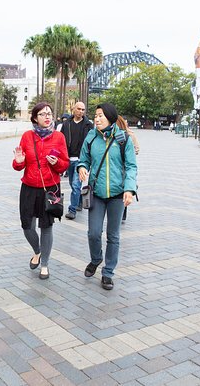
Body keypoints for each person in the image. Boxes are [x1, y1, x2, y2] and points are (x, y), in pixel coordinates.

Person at [78, 103, 137, 291]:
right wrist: (81, 167)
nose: (96, 119)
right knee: (93, 232)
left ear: (110, 117)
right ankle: (96, 259)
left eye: (100, 115)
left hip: (118, 194)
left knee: (113, 236)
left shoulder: (123, 139)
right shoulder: (91, 137)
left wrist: (129, 189)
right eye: (95, 115)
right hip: (96, 193)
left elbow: (131, 166)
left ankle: (108, 272)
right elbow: (84, 159)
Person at [13, 102, 69, 281]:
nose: (47, 117)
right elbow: (18, 165)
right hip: (29, 187)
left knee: (46, 226)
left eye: (50, 114)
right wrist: (19, 161)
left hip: (50, 188)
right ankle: (37, 251)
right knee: (27, 225)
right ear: (35, 118)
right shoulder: (27, 136)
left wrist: (56, 163)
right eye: (43, 114)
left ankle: (44, 264)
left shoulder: (58, 137)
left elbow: (65, 164)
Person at [60, 102, 93, 220]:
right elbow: (61, 140)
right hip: (68, 159)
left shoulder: (88, 125)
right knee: (72, 184)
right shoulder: (66, 123)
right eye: (79, 109)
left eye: (83, 109)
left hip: (81, 161)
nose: (81, 111)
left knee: (75, 185)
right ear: (73, 109)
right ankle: (78, 202)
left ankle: (72, 210)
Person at [116, 116, 140, 223]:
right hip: (116, 166)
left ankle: (123, 212)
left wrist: (130, 153)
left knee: (125, 188)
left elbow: (137, 149)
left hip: (125, 166)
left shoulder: (130, 135)